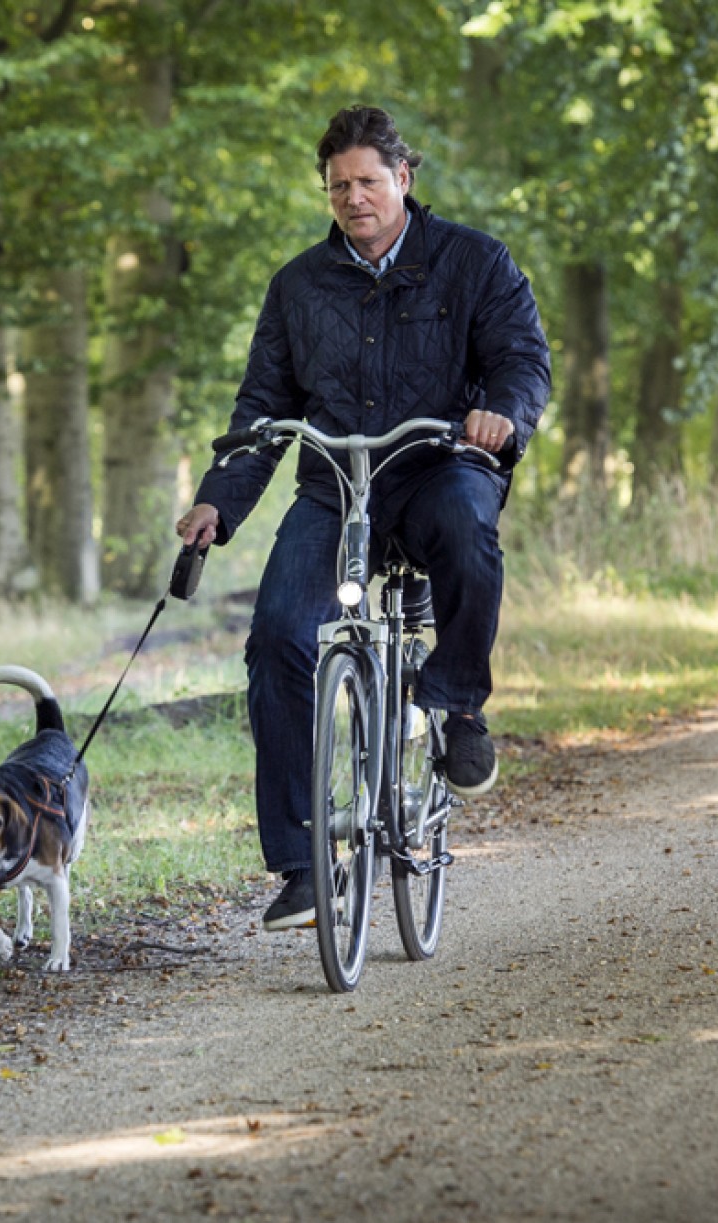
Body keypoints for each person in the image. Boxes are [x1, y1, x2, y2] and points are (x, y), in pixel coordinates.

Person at [174, 105, 551, 931]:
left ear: (404, 179)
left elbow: (522, 361)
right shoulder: (298, 287)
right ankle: (304, 862)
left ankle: (454, 703)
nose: (354, 198)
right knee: (277, 634)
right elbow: (263, 408)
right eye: (338, 185)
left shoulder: (475, 262)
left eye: (368, 181)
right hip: (335, 487)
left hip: (438, 466)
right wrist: (218, 499)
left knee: (465, 526)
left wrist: (501, 414)